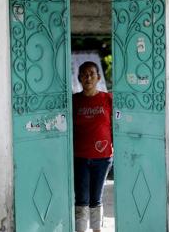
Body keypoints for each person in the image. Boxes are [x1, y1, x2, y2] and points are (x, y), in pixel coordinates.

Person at [73, 61, 113, 232]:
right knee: (81, 198)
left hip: (103, 158)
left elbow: (118, 124)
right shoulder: (74, 100)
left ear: (98, 77)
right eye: (84, 74)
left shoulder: (107, 99)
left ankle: (97, 229)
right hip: (80, 157)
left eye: (91, 73)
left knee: (96, 198)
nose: (88, 77)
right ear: (79, 77)